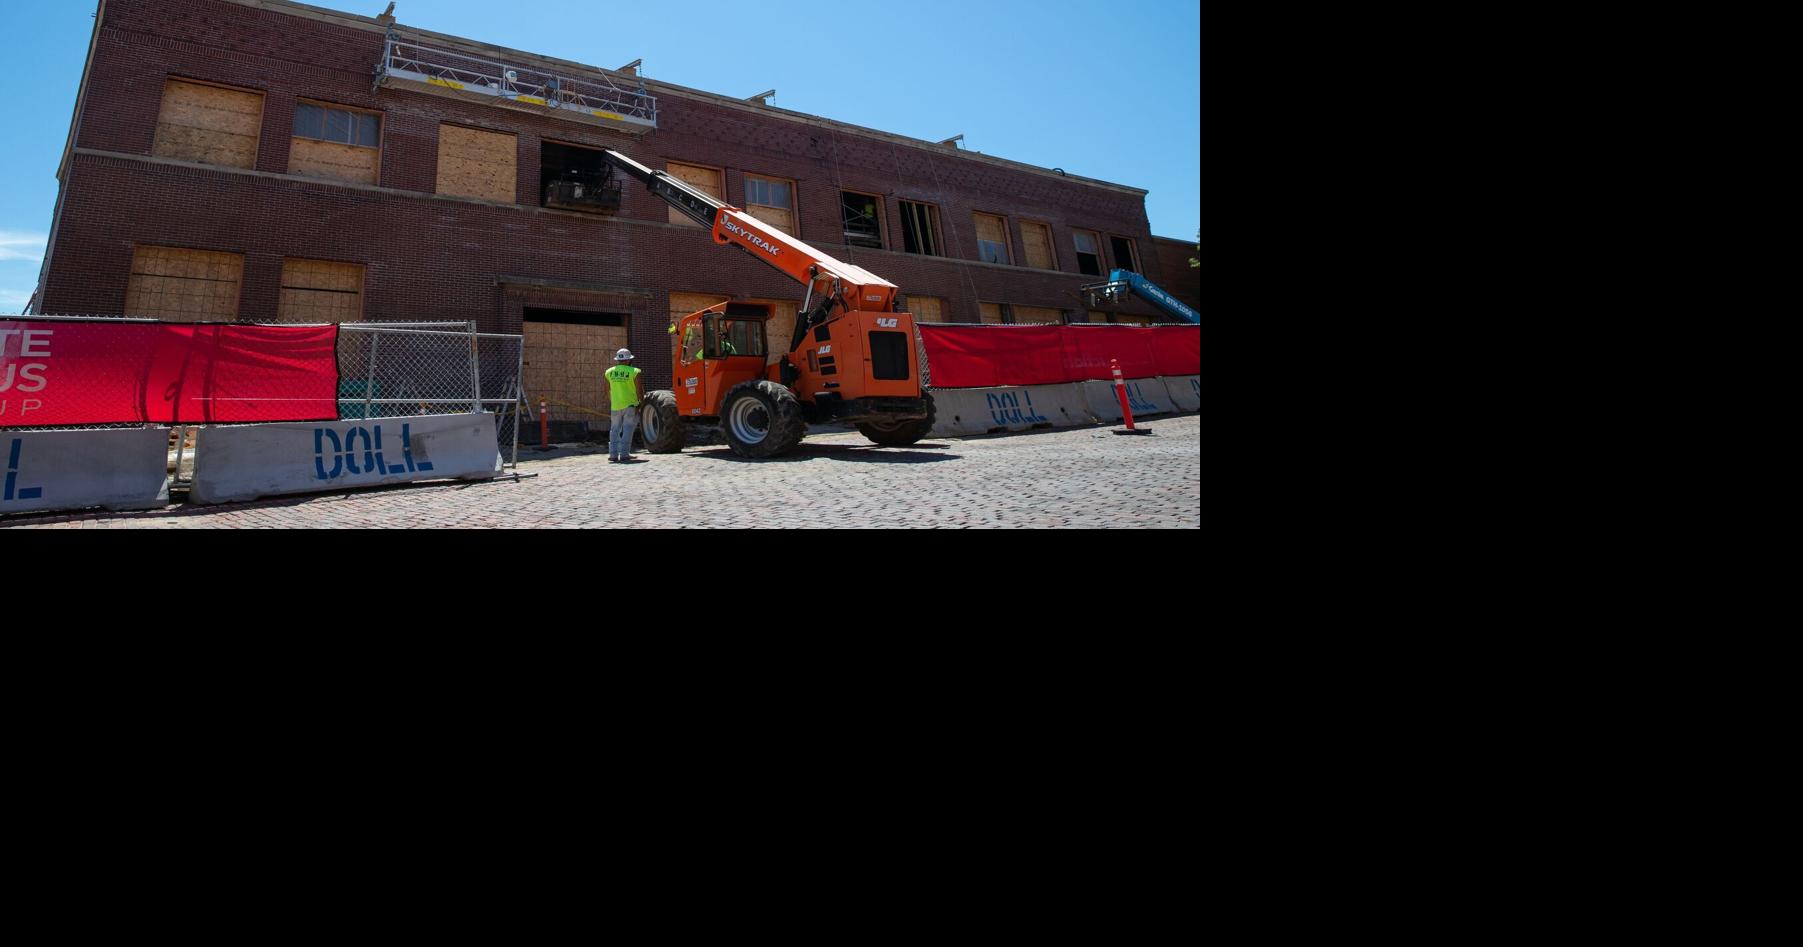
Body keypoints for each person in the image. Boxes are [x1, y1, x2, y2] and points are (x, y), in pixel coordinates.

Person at [604, 348, 643, 463]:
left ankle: (613, 455)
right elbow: (639, 390)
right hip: (630, 405)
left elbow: (607, 390)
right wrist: (641, 403)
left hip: (615, 405)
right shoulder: (635, 372)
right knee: (628, 429)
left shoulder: (609, 372)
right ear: (628, 360)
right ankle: (624, 454)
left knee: (614, 429)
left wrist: (613, 401)